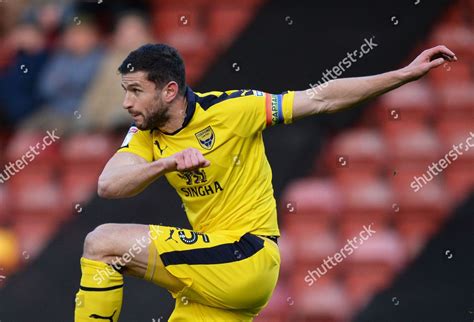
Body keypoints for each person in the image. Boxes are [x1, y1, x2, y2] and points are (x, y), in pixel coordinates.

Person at [74, 43, 456, 321]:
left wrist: (402, 75)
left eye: (136, 90)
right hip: (218, 281)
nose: (126, 101)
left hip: (247, 255)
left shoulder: (235, 109)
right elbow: (109, 185)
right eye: (125, 90)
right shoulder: (144, 134)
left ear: (169, 90)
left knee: (102, 242)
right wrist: (167, 164)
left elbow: (319, 100)